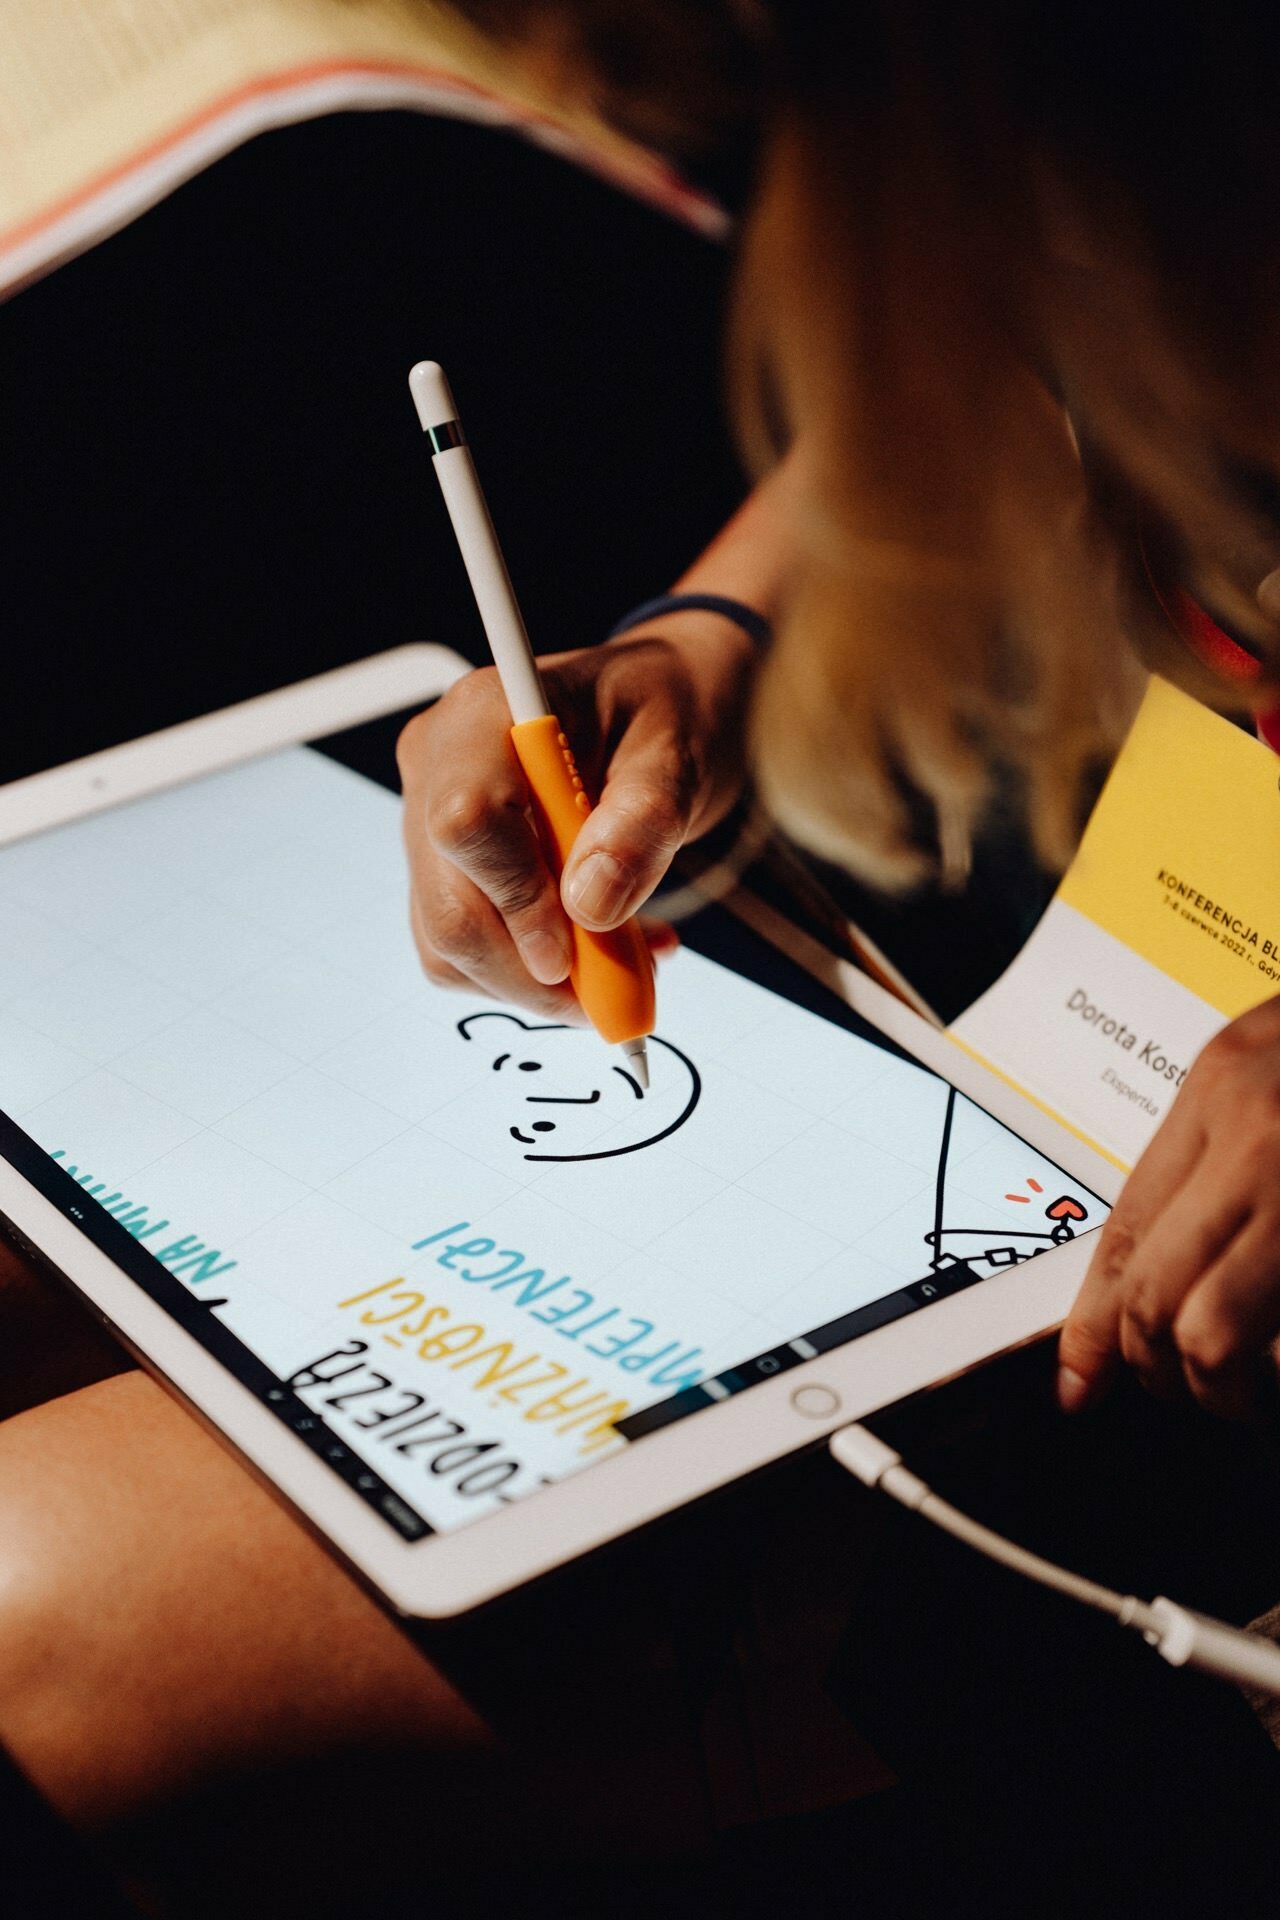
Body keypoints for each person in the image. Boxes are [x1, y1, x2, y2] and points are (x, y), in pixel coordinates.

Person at [4, 0, 1280, 1909]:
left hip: (1165, 1353)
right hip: (993, 996)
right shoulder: (1008, 132)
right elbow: (1006, 371)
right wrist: (706, 653)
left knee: (41, 1611)